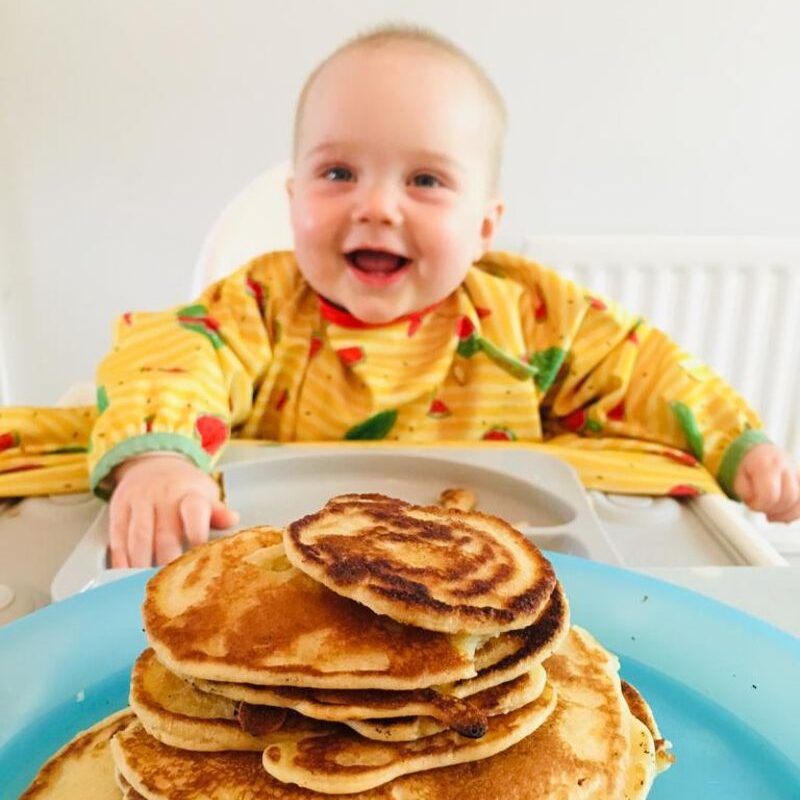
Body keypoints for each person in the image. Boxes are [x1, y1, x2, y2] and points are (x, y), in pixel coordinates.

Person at [1, 25, 798, 568]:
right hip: (276, 555)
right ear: (294, 199)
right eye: (338, 172)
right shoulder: (264, 304)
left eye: (424, 180)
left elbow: (643, 370)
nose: (376, 205)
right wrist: (160, 454)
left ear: (484, 226)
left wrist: (741, 444)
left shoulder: (527, 316)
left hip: (486, 566)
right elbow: (177, 353)